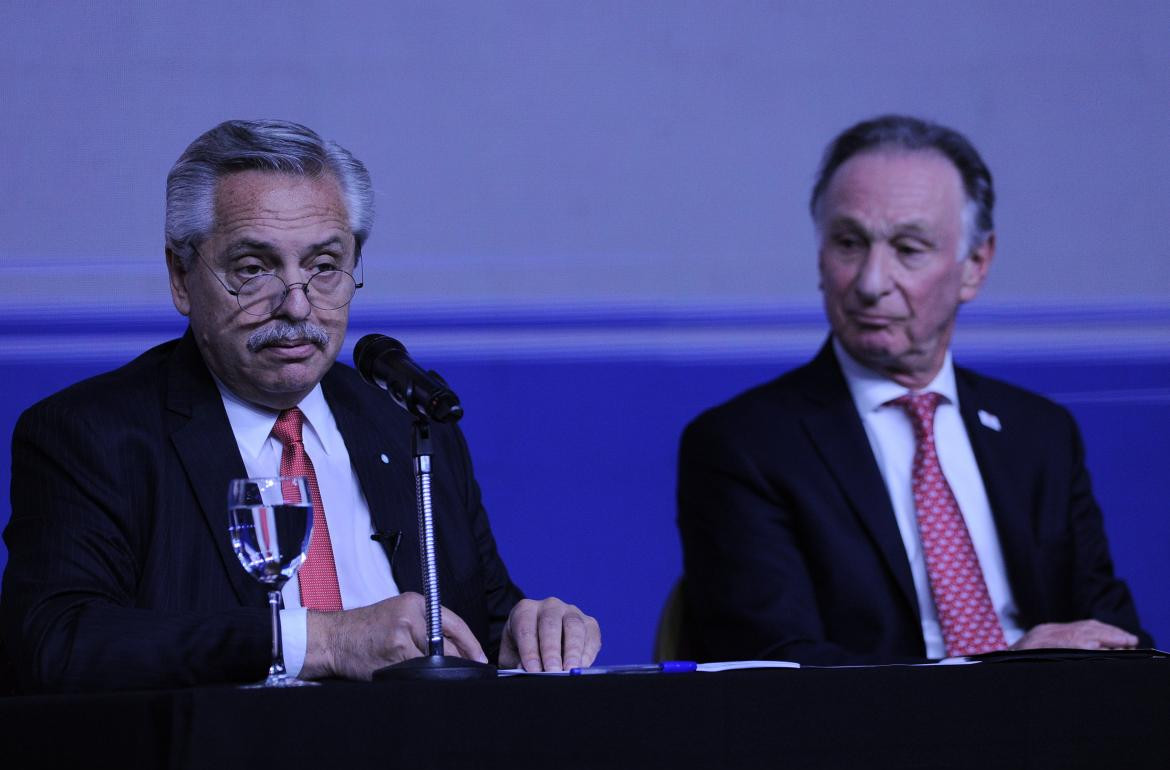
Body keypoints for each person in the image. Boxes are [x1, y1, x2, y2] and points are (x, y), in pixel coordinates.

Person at [0, 119, 600, 692]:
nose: (297, 305)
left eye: (324, 267)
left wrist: (531, 632)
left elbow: (480, 625)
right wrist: (324, 641)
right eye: (254, 268)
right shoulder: (93, 435)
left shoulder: (408, 421)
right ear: (181, 277)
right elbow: (53, 642)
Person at [676, 115, 1150, 665]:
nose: (872, 282)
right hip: (864, 746)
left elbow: (1114, 639)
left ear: (974, 265)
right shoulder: (745, 445)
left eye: (908, 248)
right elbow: (777, 666)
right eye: (849, 243)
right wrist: (998, 675)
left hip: (1054, 740)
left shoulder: (1040, 435)